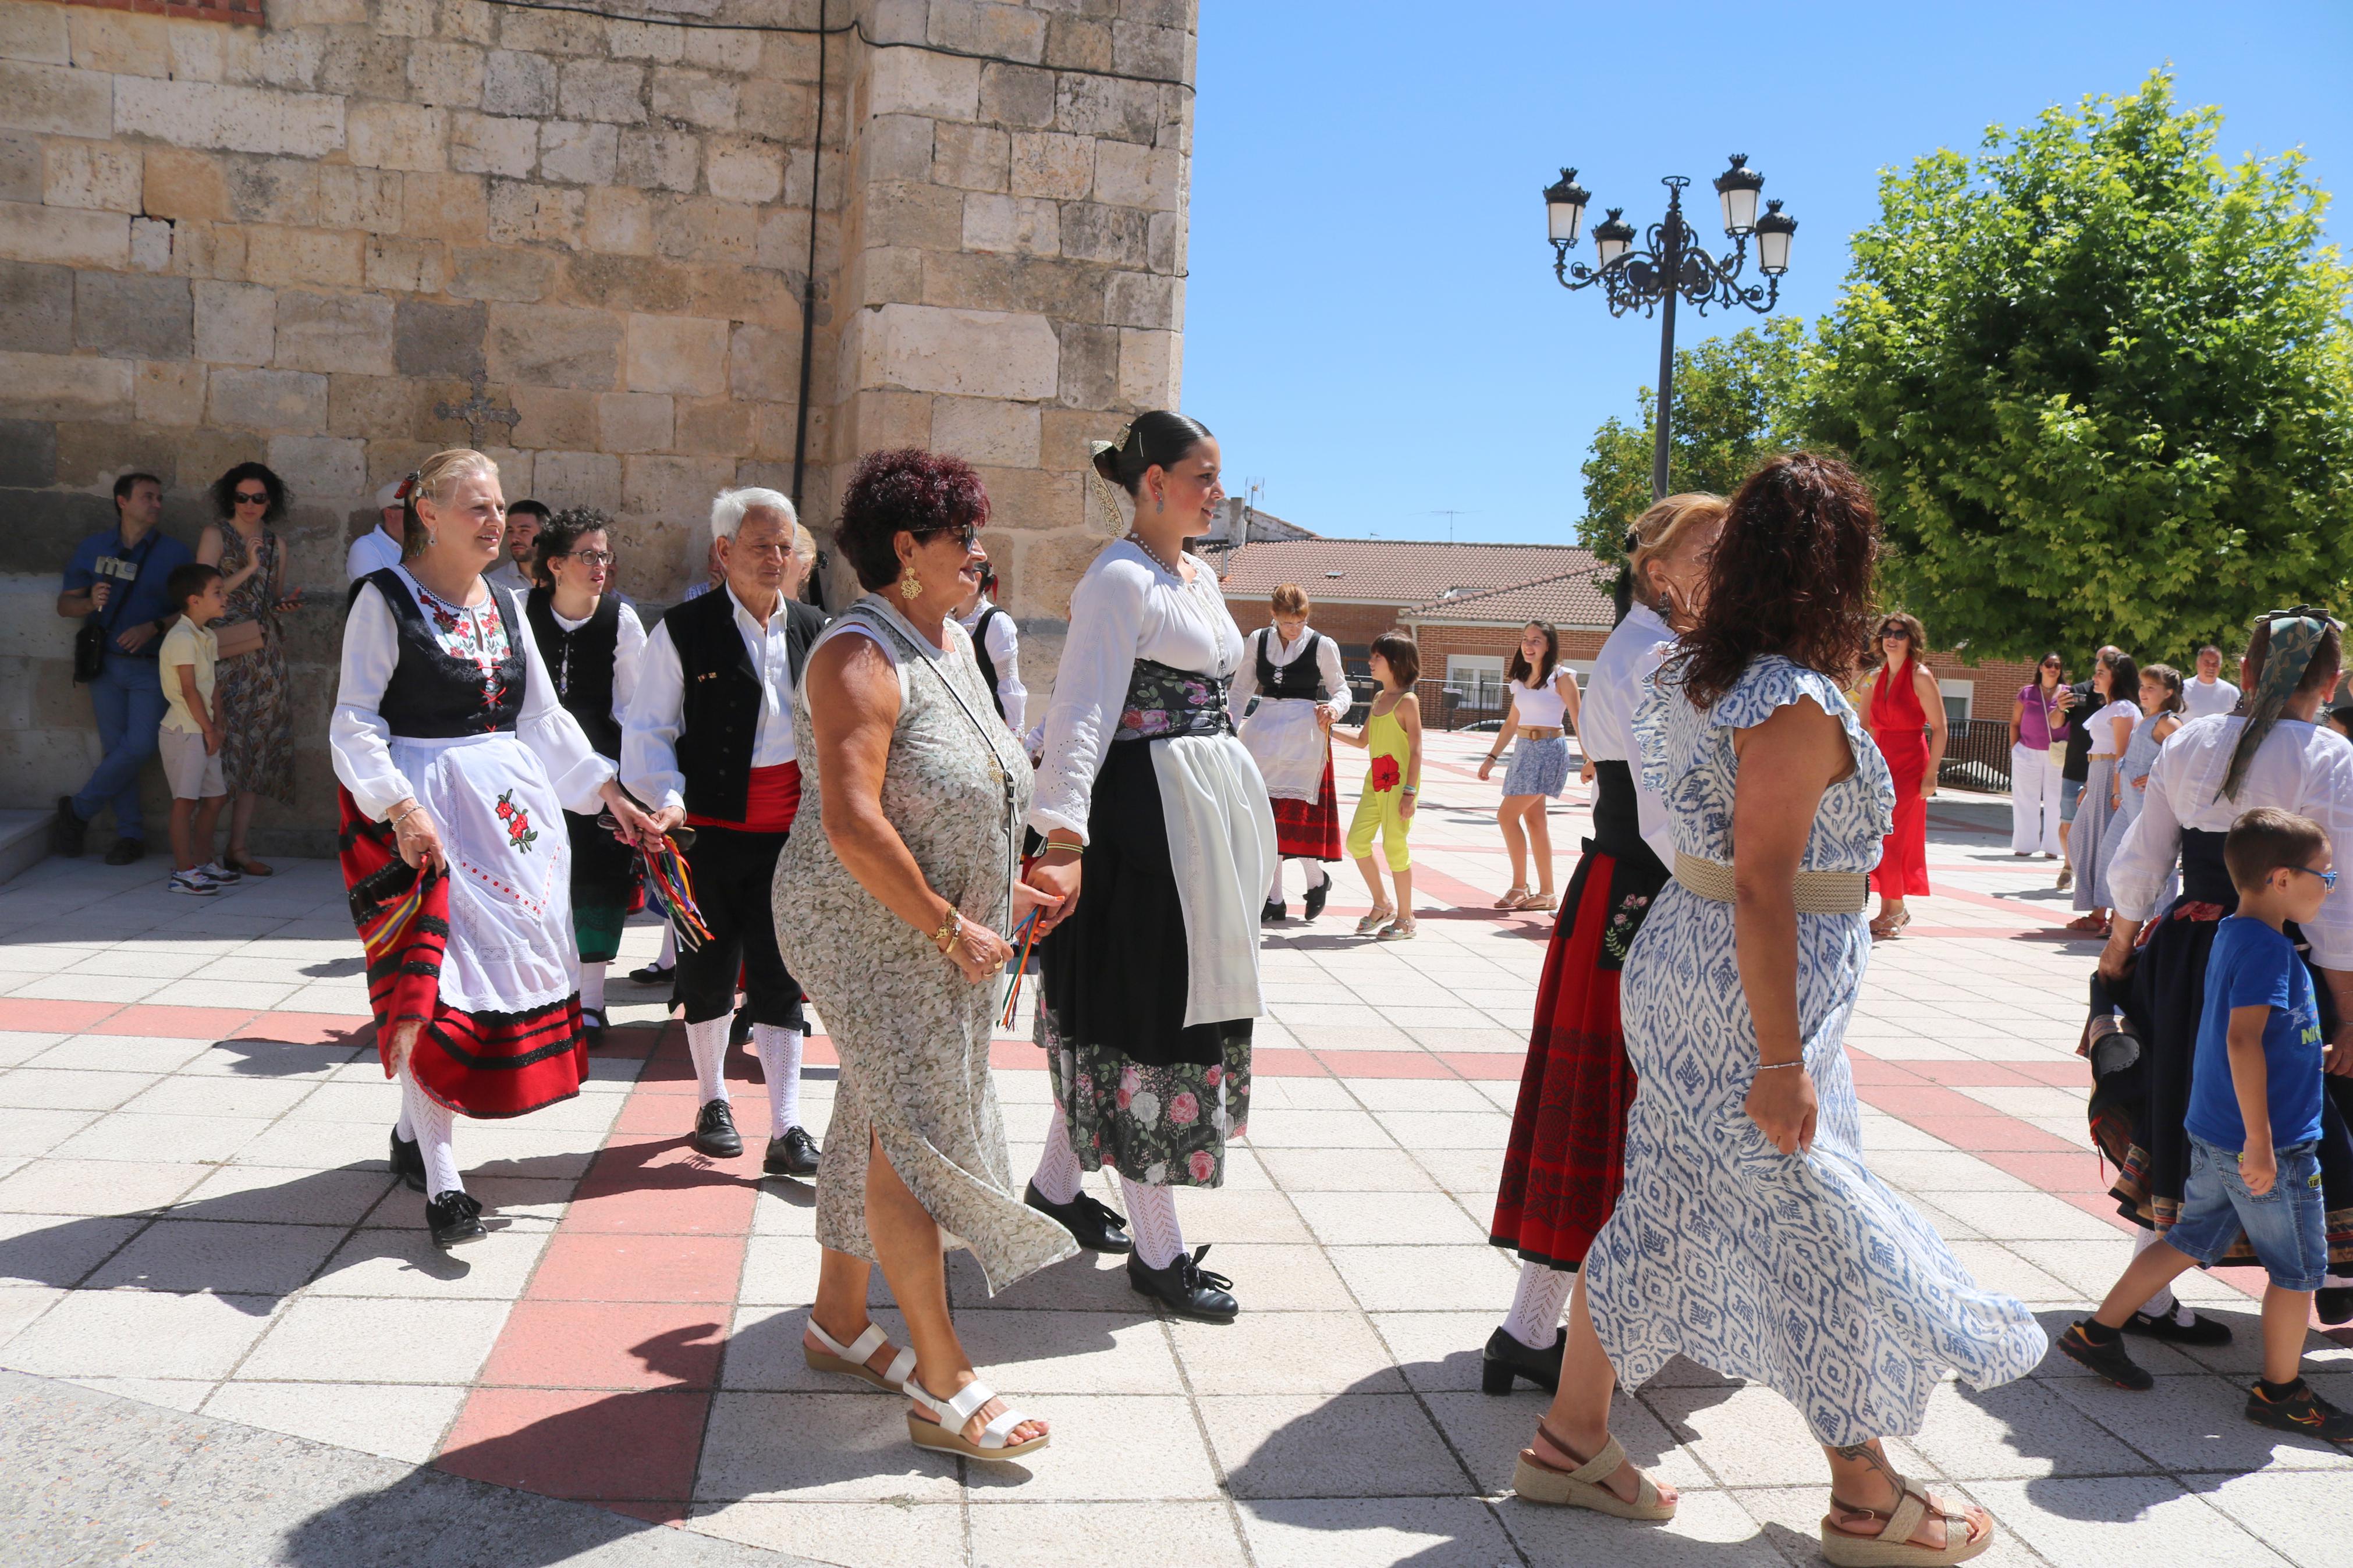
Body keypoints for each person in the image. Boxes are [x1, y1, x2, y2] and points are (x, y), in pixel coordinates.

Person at [1514, 453, 2044, 1563]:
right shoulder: (1787, 698)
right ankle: (1865, 1497)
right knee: (1815, 1232)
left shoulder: (1697, 674)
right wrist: (1779, 1057)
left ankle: (1568, 1440)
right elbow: (1761, 878)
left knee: (1658, 1208)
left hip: (1693, 967)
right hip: (1745, 997)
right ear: (1835, 568)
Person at [776, 447, 1072, 1462]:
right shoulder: (858, 655)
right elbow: (856, 824)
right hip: (867, 925)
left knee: (874, 1107)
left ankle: (837, 1321)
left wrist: (1011, 890)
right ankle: (940, 1378)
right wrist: (951, 924)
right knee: (913, 1131)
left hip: (933, 924)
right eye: (964, 539)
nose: (982, 555)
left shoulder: (946, 645)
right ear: (905, 548)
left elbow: (967, 794)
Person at [330, 448, 664, 1247]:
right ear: (429, 513)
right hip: (423, 813)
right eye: (477, 507)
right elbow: (353, 721)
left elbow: (543, 720)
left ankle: (415, 1134)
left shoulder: (510, 606)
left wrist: (608, 793)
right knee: (432, 987)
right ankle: (444, 1183)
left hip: (511, 821)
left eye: (499, 506)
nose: (496, 521)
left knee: (481, 989)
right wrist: (401, 807)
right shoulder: (383, 599)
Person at [1022, 411, 1275, 1322]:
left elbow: (1221, 693)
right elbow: (1082, 710)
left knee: (1144, 1004)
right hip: (1144, 824)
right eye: (1203, 476)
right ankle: (1156, 1252)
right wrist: (1062, 837)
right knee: (1149, 1015)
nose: (1217, 491)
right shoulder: (1118, 578)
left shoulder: (1196, 574)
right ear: (1153, 484)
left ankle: (1053, 1191)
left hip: (1199, 816)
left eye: (1216, 475)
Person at [1485, 493, 1724, 1395]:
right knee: (1620, 1108)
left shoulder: (1650, 647)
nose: (1726, 567)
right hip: (1646, 896)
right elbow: (1670, 810)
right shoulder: (1657, 655)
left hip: (1625, 890)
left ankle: (1532, 1326)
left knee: (1614, 1108)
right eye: (1712, 550)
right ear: (1656, 568)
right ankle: (1535, 1326)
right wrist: (1728, 900)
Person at [2095, 608, 2353, 1333]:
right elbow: (2337, 908)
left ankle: (2147, 1297)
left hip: (2183, 953)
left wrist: (2117, 953)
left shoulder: (2194, 740)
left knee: (2179, 1104)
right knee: (2308, 1109)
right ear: (2329, 682)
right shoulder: (2330, 757)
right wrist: (2347, 1008)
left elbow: (2141, 860)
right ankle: (2326, 1271)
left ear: (2243, 671)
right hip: (2279, 955)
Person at [2061, 809, 2353, 1438]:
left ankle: (2096, 1331)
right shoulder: (2267, 951)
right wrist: (2261, 1143)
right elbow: (2242, 1041)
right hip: (2270, 1142)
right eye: (2322, 876)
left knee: (2186, 1238)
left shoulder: (2230, 932)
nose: (2329, 886)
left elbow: (2255, 1035)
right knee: (2298, 1269)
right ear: (2280, 877)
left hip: (2215, 1132)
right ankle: (2280, 1391)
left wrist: (2309, 1051)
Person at [623, 489, 828, 1178]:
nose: (777, 559)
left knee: (780, 976)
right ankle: (712, 1102)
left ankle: (788, 1124)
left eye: (786, 546)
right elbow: (648, 731)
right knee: (707, 973)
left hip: (790, 840)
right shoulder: (682, 630)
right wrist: (668, 800)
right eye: (761, 546)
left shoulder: (815, 626)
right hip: (704, 838)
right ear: (723, 552)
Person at [524, 509, 648, 1043]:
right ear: (555, 564)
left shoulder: (621, 619)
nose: (601, 565)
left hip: (601, 767)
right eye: (588, 555)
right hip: (527, 765)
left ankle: (591, 1003)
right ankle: (539, 996)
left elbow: (636, 708)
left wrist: (630, 783)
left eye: (605, 555)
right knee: (533, 877)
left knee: (597, 879)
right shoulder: (518, 611)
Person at [51, 472, 194, 867]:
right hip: (105, 666)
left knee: (140, 745)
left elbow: (193, 607)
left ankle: (77, 811)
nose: (157, 504)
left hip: (152, 666)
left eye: (160, 498)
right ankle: (130, 835)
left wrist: (155, 626)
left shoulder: (175, 553)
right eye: (148, 497)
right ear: (122, 501)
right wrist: (88, 603)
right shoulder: (93, 548)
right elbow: (65, 605)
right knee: (118, 751)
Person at [196, 463, 304, 880]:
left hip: (263, 655)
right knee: (219, 749)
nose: (250, 505)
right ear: (231, 498)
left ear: (269, 501)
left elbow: (270, 597)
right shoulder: (214, 535)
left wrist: (285, 604)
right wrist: (249, 566)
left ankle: (237, 847)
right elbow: (203, 594)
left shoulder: (277, 543)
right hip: (223, 654)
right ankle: (198, 851)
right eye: (242, 497)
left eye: (258, 498)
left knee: (255, 752)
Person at [1230, 584, 1349, 922]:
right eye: (1286, 623)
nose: (1293, 629)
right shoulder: (1257, 640)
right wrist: (1228, 726)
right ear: (1274, 616)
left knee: (1293, 815)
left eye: (1299, 623)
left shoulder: (1322, 645)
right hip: (1264, 733)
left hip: (1304, 736)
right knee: (1265, 816)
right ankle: (1277, 897)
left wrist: (1334, 709)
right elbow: (1241, 690)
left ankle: (1312, 882)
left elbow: (1341, 689)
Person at [1478, 622, 1582, 912]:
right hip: (1523, 750)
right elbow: (1512, 723)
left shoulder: (1562, 678)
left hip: (1549, 750)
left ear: (1549, 645)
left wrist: (1590, 759)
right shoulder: (1521, 679)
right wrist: (1492, 757)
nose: (1529, 645)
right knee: (1535, 822)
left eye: (1536, 640)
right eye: (1526, 640)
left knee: (1506, 816)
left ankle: (1520, 886)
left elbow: (1578, 718)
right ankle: (1547, 893)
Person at [1859, 613, 1946, 940]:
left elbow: (1940, 728)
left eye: (1899, 633)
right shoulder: (1876, 677)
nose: (1891, 638)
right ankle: (1891, 909)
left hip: (1910, 764)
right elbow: (1863, 728)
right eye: (1886, 632)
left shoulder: (1921, 676)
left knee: (1897, 836)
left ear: (1912, 640)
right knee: (1880, 835)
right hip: (1881, 764)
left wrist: (1932, 773)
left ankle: (1894, 910)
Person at [1332, 632, 1424, 940]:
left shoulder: (1407, 702)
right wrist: (1328, 729)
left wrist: (1410, 793)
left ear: (1396, 662)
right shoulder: (1378, 699)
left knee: (1395, 849)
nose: (1371, 662)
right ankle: (1383, 904)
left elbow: (1415, 751)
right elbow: (1362, 741)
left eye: (1377, 658)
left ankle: (1407, 918)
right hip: (1376, 784)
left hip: (1400, 788)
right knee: (1358, 842)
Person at [158, 564, 233, 897]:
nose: (224, 597)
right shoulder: (181, 638)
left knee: (216, 798)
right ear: (194, 600)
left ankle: (204, 862)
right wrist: (209, 730)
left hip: (204, 731)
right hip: (185, 731)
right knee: (185, 802)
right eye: (217, 592)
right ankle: (184, 871)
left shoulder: (207, 636)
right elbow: (189, 690)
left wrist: (219, 724)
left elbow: (210, 685)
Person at [2100, 663, 2185, 911]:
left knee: (2155, 856)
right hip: (2130, 800)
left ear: (2168, 693)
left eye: (2152, 687)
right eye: (2142, 687)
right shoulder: (2145, 718)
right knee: (2112, 850)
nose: (2144, 692)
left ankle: (2160, 918)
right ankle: (2120, 913)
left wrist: (2156, 775)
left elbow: (2186, 757)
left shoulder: (2167, 722)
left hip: (2148, 801)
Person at [2068, 653, 2142, 934]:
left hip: (2111, 778)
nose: (2095, 677)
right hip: (2097, 776)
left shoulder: (2123, 709)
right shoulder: (2109, 707)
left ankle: (2111, 915)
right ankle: (2098, 910)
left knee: (2107, 846)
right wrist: (2089, 786)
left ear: (2116, 677)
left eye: (2101, 673)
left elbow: (2121, 753)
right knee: (2083, 840)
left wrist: (2117, 791)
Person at [2057, 648, 2117, 891]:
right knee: (2068, 822)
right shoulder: (2079, 691)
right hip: (2077, 767)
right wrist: (2059, 708)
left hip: (2106, 771)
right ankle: (2069, 866)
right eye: (2100, 666)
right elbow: (2055, 723)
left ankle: (2092, 876)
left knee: (2103, 827)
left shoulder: (2126, 702)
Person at [954, 561, 1027, 737]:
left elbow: (1008, 681)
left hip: (989, 726)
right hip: (957, 723)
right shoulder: (947, 618)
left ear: (976, 578)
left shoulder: (995, 621)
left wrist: (1015, 733)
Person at [2008, 654, 2071, 859]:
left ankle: (2054, 848)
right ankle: (2025, 845)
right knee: (2025, 799)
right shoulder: (2027, 693)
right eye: (2049, 665)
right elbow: (2015, 723)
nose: (2053, 668)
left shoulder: (2068, 694)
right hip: (2027, 751)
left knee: (2056, 800)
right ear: (2041, 667)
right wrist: (2015, 749)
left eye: (2057, 666)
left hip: (2058, 754)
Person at [347, 478, 410, 581]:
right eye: (411, 508)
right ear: (389, 513)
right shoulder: (366, 548)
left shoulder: (425, 546)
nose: (418, 513)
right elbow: (380, 593)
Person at [487, 499, 547, 595]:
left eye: (524, 531)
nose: (514, 539)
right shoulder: (494, 585)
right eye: (510, 531)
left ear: (545, 533)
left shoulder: (565, 579)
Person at [2183, 644, 2242, 720]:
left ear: (2220, 666)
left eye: (2215, 664)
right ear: (2198, 663)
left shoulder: (2231, 692)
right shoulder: (2182, 688)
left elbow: (2239, 720)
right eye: (2207, 662)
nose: (2211, 667)